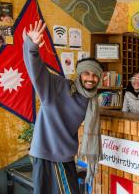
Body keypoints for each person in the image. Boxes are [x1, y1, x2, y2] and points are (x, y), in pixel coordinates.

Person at [22, 20, 102, 194]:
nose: (91, 78)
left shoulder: (92, 101)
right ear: (79, 75)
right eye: (87, 73)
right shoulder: (58, 86)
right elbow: (36, 71)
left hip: (64, 156)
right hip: (49, 154)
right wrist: (32, 47)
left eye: (95, 75)